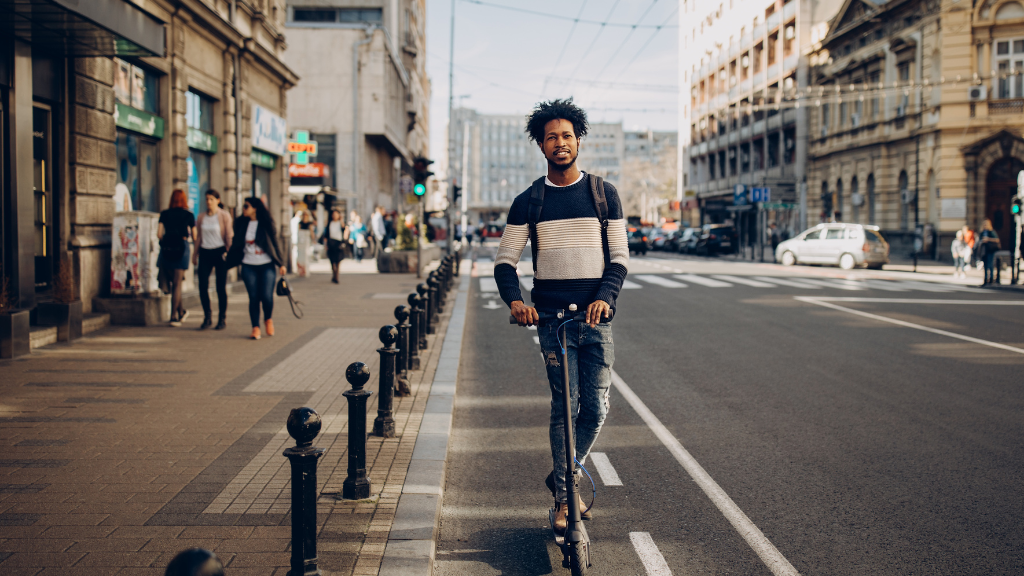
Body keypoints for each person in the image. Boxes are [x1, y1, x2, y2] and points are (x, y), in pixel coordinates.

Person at [493, 99, 628, 535]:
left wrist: (605, 296)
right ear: (541, 145)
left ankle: (563, 471)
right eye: (551, 137)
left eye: (567, 135)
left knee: (597, 407)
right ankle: (564, 498)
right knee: (563, 407)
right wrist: (516, 301)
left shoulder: (603, 194)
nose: (560, 143)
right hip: (552, 323)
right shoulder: (528, 202)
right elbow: (504, 263)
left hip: (597, 320)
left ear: (578, 140)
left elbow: (620, 258)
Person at [227, 197, 285, 340]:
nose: (244, 209)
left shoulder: (266, 223)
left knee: (266, 296)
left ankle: (268, 319)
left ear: (255, 208)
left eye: (247, 206)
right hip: (248, 265)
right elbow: (236, 244)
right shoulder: (241, 223)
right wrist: (229, 260)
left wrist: (281, 263)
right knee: (253, 297)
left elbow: (275, 243)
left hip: (266, 265)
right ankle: (255, 327)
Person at [192, 190, 233, 330]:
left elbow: (229, 235)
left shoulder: (224, 216)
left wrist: (230, 252)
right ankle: (207, 316)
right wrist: (194, 254)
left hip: (220, 252)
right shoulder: (201, 217)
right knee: (202, 286)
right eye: (207, 199)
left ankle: (222, 318)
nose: (208, 202)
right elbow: (198, 237)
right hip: (205, 252)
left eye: (211, 199)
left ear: (217, 200)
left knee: (220, 287)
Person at [157, 189, 195, 327]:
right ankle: (173, 317)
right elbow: (195, 235)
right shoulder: (188, 215)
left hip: (167, 248)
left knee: (173, 283)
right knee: (177, 283)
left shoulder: (165, 214)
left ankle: (181, 312)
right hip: (182, 248)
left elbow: (159, 234)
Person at [320, 208, 346, 283]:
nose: (334, 216)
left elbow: (344, 229)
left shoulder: (340, 223)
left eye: (336, 214)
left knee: (338, 260)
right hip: (331, 243)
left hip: (338, 243)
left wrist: (341, 220)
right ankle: (334, 273)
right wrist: (325, 244)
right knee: (332, 260)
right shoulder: (329, 223)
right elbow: (326, 235)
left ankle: (336, 276)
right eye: (333, 214)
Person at [979, 219, 1001, 284]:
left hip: (990, 250)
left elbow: (997, 240)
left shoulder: (991, 232)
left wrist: (988, 239)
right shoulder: (982, 232)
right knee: (985, 265)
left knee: (990, 264)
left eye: (986, 224)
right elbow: (979, 240)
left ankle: (991, 279)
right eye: (984, 224)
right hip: (984, 250)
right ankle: (985, 279)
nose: (985, 226)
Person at [296, 211, 315, 277]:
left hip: (306, 241)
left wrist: (313, 239)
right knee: (300, 255)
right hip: (300, 241)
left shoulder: (310, 223)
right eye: (304, 215)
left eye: (306, 215)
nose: (305, 216)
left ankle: (306, 270)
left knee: (306, 255)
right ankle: (300, 270)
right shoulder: (300, 223)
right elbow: (298, 231)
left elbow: (311, 232)